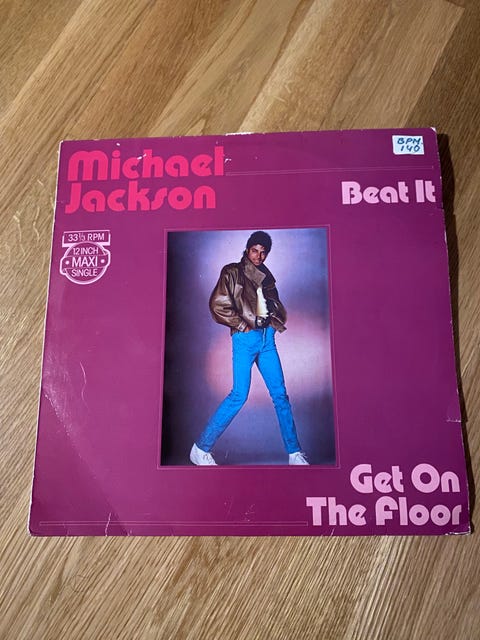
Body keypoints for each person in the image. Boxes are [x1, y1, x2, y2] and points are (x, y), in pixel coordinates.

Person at [190, 231, 309, 466]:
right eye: (255, 250)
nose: (259, 256)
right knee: (239, 395)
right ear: (247, 250)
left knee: (280, 395)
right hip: (245, 339)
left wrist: (273, 324)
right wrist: (242, 325)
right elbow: (217, 305)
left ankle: (295, 453)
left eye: (263, 252)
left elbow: (276, 306)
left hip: (267, 340)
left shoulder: (267, 275)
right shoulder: (232, 272)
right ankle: (200, 448)